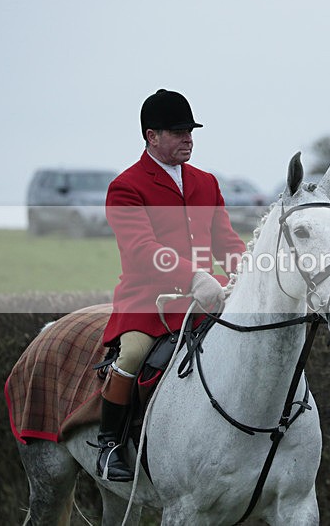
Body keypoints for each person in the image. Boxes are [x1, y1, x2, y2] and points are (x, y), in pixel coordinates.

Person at [96, 89, 246, 481]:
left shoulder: (206, 183)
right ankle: (109, 444)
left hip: (205, 301)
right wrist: (194, 275)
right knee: (131, 356)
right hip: (149, 303)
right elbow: (143, 249)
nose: (188, 139)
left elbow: (227, 243)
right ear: (152, 136)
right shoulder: (126, 187)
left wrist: (250, 271)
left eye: (190, 131)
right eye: (178, 132)